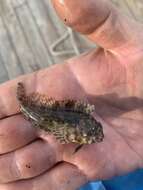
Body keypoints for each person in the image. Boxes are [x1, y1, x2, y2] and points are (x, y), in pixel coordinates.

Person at [0, 0, 143, 189]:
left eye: (93, 134)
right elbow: (65, 132)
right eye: (93, 132)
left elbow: (67, 129)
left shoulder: (81, 127)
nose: (96, 137)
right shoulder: (76, 131)